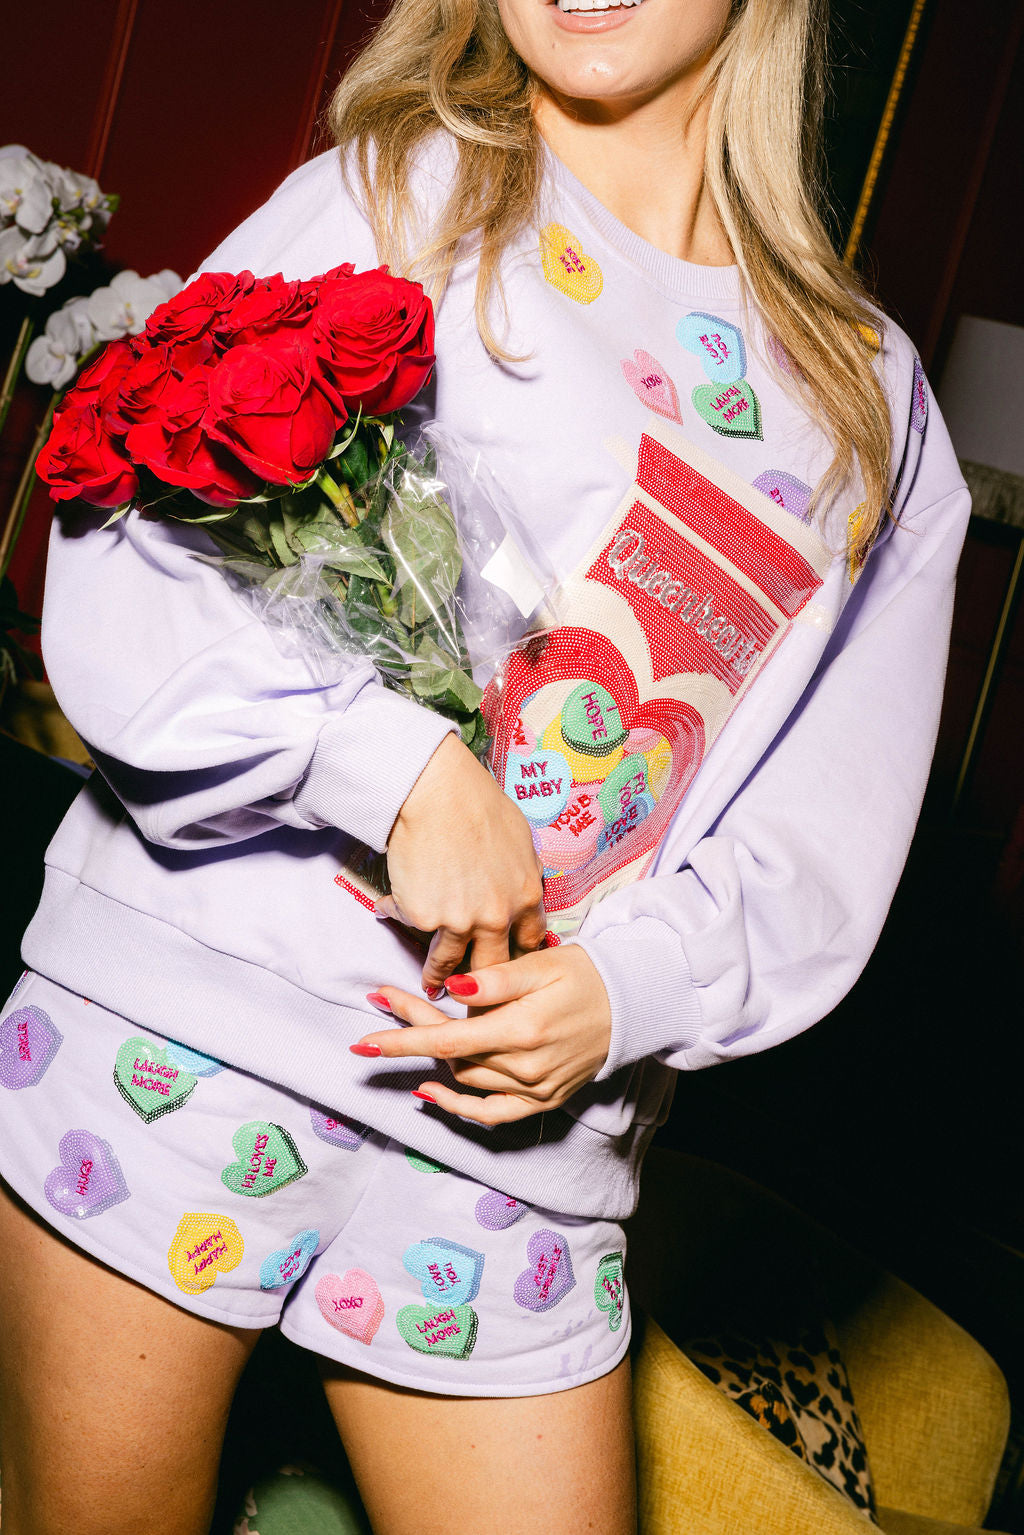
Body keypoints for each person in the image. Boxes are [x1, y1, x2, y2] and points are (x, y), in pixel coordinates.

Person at [0, 1, 969, 1531]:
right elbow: (130, 540)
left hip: (524, 1150)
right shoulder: (399, 193)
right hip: (185, 1035)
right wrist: (392, 771)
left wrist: (629, 990)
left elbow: (822, 837)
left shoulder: (871, 399)